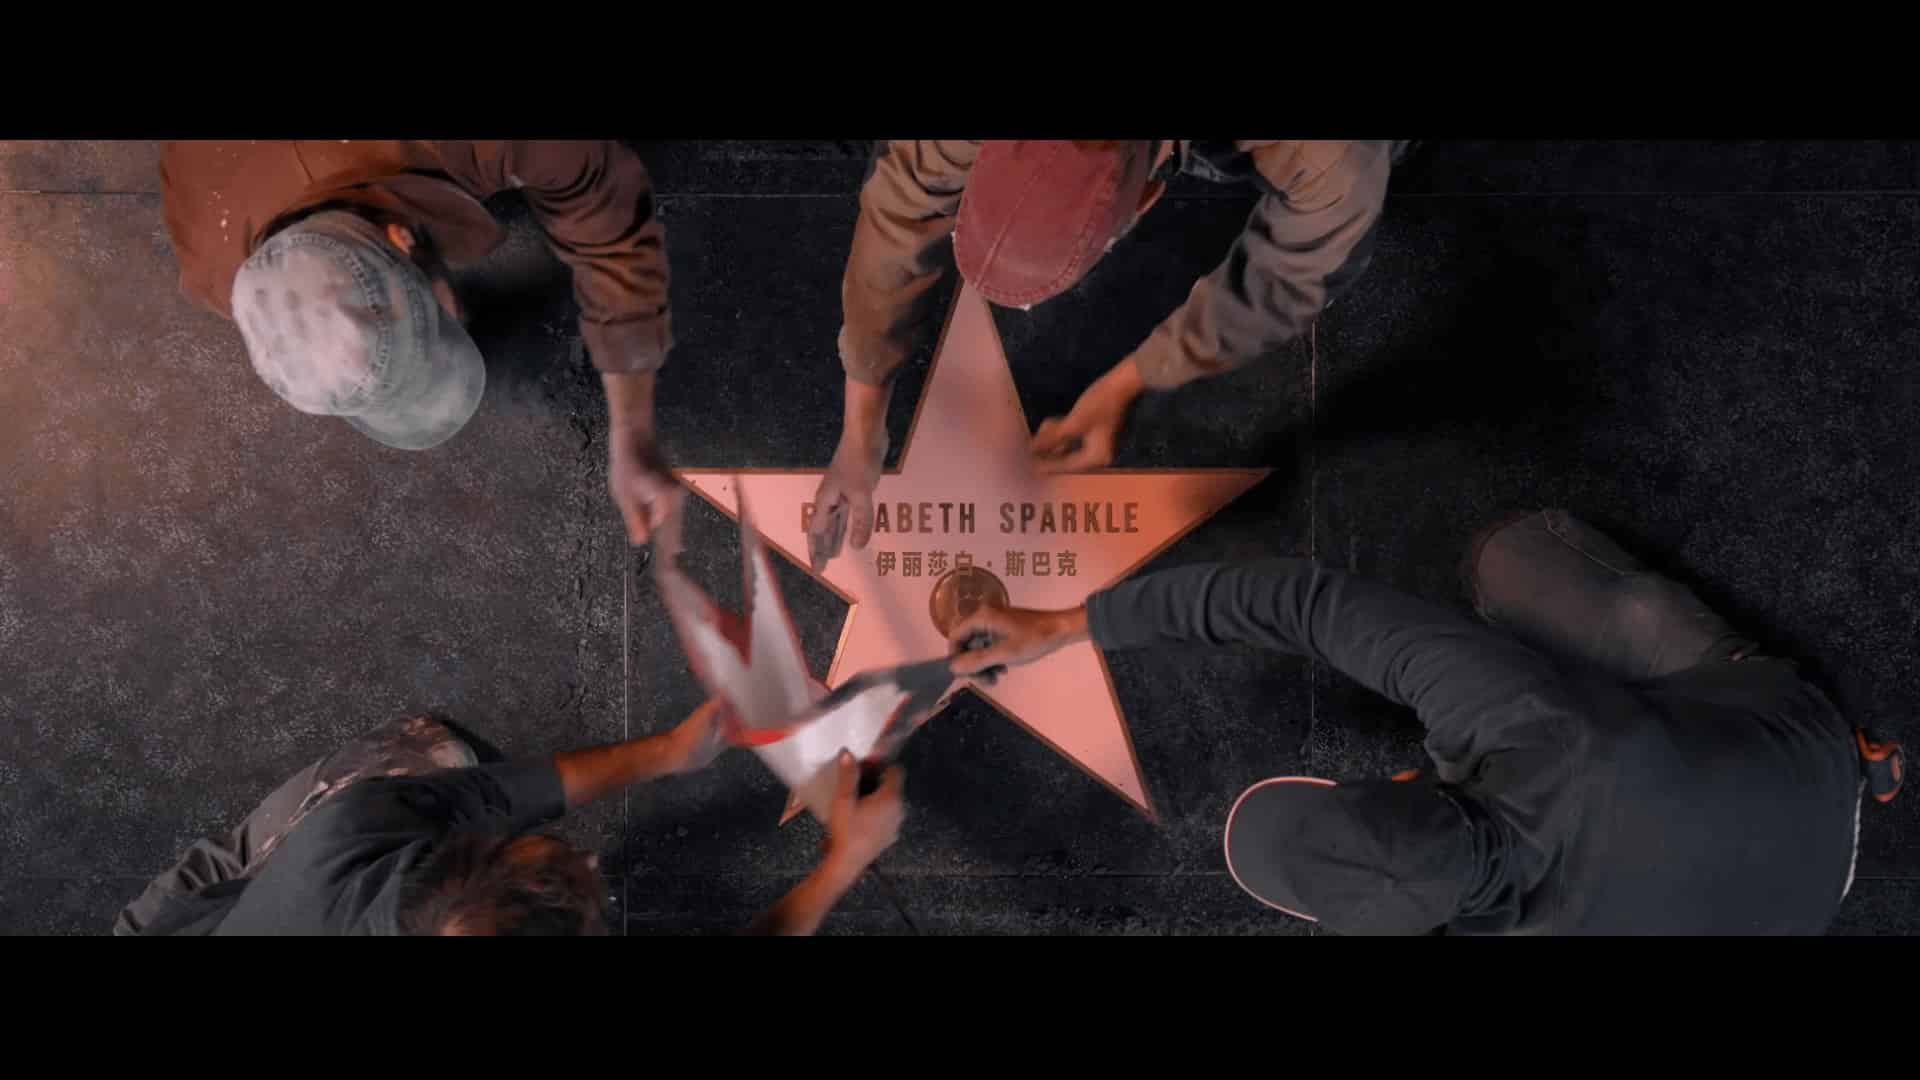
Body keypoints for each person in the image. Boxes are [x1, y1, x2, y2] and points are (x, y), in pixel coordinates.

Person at [946, 509, 1875, 935]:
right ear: (1400, 781)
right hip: (1808, 755)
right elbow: (1303, 604)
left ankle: (1866, 771)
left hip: (1807, 904)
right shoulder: (1527, 722)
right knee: (1510, 559)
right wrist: (1067, 625)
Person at [808, 139, 1410, 569]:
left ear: (1147, 199)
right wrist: (861, 433)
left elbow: (1292, 272)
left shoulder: (1328, 159)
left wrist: (1133, 381)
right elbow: (899, 214)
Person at [160, 141, 683, 545]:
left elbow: (611, 227)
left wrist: (631, 428)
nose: (458, 322)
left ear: (402, 237)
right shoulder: (209, 262)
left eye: (434, 319)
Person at [114, 706, 905, 936]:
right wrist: (844, 860)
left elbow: (490, 797)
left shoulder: (346, 832)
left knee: (434, 755)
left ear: (446, 866)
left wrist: (669, 751)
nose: (593, 864)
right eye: (589, 901)